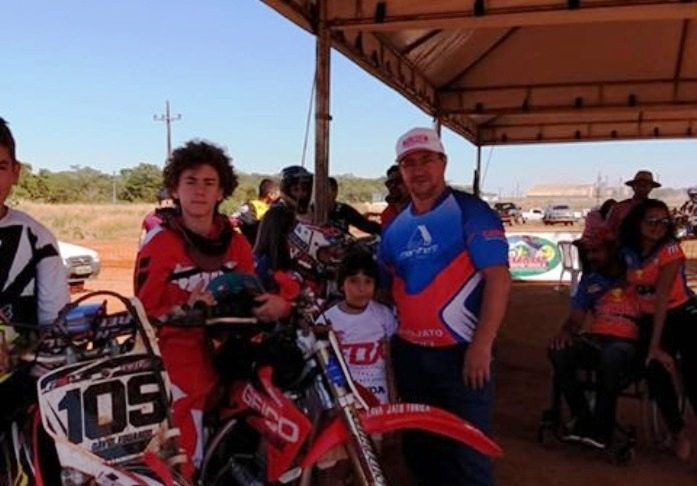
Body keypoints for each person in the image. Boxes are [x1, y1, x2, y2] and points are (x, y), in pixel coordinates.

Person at [134, 140, 290, 479]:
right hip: (177, 363)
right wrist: (185, 308)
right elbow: (144, 313)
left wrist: (277, 306)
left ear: (222, 191)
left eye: (209, 183)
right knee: (184, 459)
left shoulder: (236, 242)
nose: (200, 191)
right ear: (175, 189)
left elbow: (252, 292)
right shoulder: (159, 243)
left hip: (232, 359)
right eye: (190, 182)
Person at [379, 127, 511, 486]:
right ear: (400, 171)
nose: (418, 169)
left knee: (468, 455)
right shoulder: (394, 228)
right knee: (421, 451)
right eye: (409, 163)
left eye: (426, 159)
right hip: (410, 355)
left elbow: (498, 279)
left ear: (443, 163)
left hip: (461, 354)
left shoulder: (472, 212)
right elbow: (386, 289)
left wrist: (482, 346)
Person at [0, 118, 68, 455]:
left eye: (0, 167)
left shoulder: (38, 238)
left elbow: (54, 323)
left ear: (16, 172)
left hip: (19, 388)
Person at [619, 199, 697, 460]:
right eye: (651, 221)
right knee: (652, 369)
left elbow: (662, 298)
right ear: (638, 223)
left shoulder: (670, 249)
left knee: (692, 371)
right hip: (649, 319)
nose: (657, 226)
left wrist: (655, 345)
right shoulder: (628, 250)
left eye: (663, 222)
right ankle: (678, 431)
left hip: (681, 315)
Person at [548, 234, 641, 449]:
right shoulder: (589, 281)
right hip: (598, 339)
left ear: (612, 251)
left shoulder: (635, 273)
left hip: (628, 343)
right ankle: (582, 416)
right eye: (587, 252)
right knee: (559, 351)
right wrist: (566, 332)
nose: (591, 257)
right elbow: (576, 318)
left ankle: (602, 427)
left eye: (596, 251)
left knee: (611, 355)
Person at [316, 248, 397, 404]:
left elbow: (390, 365)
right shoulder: (327, 320)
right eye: (354, 281)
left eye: (368, 282)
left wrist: (393, 403)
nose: (361, 288)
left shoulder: (384, 315)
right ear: (341, 285)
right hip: (345, 401)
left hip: (380, 399)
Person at [254, 165, 313, 278]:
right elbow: (267, 250)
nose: (301, 194)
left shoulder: (310, 213)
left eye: (304, 190)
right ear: (286, 189)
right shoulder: (277, 213)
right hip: (277, 276)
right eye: (296, 190)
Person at [605, 170, 660, 236]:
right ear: (633, 186)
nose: (642, 187)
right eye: (639, 184)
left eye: (645, 185)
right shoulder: (619, 208)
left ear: (651, 188)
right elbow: (606, 230)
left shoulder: (657, 209)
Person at [236, 178, 279, 245]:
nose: (279, 197)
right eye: (276, 194)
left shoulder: (247, 206)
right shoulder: (267, 211)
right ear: (270, 195)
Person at [380, 165, 409, 230]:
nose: (392, 186)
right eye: (389, 183)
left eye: (398, 181)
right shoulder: (386, 214)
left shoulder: (423, 209)